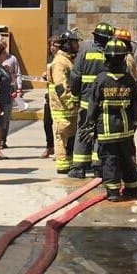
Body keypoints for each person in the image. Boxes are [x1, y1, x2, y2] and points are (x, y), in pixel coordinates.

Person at [85, 39, 137, 201]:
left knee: (110, 160)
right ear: (123, 58)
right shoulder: (129, 80)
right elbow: (136, 106)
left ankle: (114, 192)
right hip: (126, 129)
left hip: (106, 129)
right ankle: (132, 188)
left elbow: (93, 105)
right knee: (127, 159)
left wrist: (90, 124)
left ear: (106, 58)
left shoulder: (101, 79)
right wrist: (134, 124)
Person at [69, 22, 114, 179]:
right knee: (99, 134)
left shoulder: (84, 52)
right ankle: (98, 167)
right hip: (104, 103)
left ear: (95, 36)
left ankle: (78, 168)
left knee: (83, 131)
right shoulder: (111, 54)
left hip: (86, 101)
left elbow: (75, 77)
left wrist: (75, 97)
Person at [47, 30, 80, 174]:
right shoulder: (59, 62)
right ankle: (62, 165)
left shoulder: (68, 60)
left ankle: (69, 162)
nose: (77, 45)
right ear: (67, 44)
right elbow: (61, 87)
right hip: (62, 108)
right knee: (62, 136)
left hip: (69, 108)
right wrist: (71, 103)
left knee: (71, 136)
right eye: (74, 42)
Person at [41, 35, 59, 159]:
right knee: (47, 122)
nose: (52, 48)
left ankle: (59, 150)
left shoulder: (63, 60)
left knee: (59, 126)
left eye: (55, 45)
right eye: (51, 45)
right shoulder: (51, 59)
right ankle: (49, 146)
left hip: (59, 98)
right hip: (49, 96)